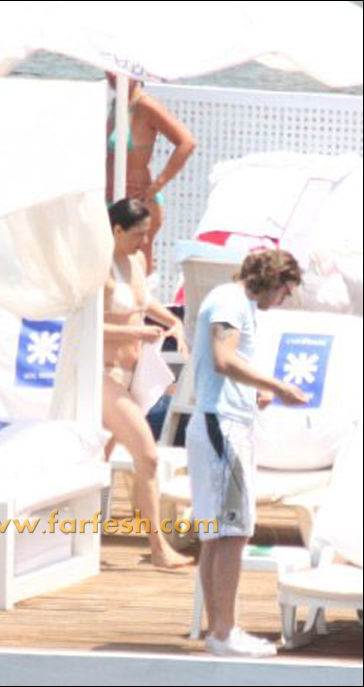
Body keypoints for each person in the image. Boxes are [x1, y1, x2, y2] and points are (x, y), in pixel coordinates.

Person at [186, 249, 308, 657]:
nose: (283, 299)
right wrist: (277, 386)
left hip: (220, 423)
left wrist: (253, 393)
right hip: (222, 428)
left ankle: (218, 630)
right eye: (285, 291)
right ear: (273, 279)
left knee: (218, 535)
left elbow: (223, 366)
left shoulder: (238, 304)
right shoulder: (230, 301)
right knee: (233, 533)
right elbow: (224, 359)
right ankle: (225, 632)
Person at [103, 197, 192, 569]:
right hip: (105, 374)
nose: (144, 241)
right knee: (149, 456)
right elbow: (86, 327)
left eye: (148, 233)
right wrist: (138, 332)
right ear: (116, 230)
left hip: (134, 374)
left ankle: (74, 539)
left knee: (98, 458)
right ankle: (158, 548)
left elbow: (144, 301)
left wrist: (173, 321)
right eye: (138, 234)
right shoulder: (99, 268)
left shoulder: (136, 260)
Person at [106, 75, 196, 273]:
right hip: (112, 201)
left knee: (139, 271)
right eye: (108, 70)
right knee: (113, 269)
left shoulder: (145, 106)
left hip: (139, 202)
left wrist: (159, 183)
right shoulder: (117, 103)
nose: (111, 75)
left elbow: (187, 142)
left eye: (116, 71)